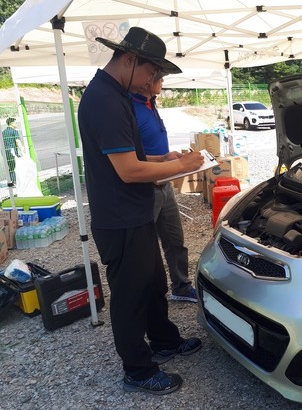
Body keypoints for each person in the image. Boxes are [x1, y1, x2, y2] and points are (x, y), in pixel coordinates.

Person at [77, 27, 205, 395]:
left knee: (152, 283)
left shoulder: (115, 95)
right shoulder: (104, 99)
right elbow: (128, 171)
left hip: (134, 212)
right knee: (131, 295)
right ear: (130, 60)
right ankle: (137, 369)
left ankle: (163, 340)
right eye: (151, 72)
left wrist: (162, 159)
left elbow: (128, 155)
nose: (152, 81)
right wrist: (181, 166)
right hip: (120, 218)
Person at [132, 72, 197, 303]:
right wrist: (163, 161)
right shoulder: (130, 108)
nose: (163, 82)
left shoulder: (150, 104)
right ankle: (148, 295)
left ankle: (181, 286)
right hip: (145, 188)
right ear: (147, 81)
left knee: (175, 240)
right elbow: (131, 158)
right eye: (160, 78)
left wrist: (166, 157)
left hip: (164, 183)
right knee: (146, 248)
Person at [2, 117, 22, 183]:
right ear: (12, 123)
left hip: (5, 152)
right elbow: (17, 141)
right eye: (16, 123)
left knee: (11, 166)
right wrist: (21, 150)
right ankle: (17, 180)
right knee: (17, 165)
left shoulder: (3, 132)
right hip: (12, 151)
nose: (17, 124)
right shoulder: (14, 131)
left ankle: (13, 180)